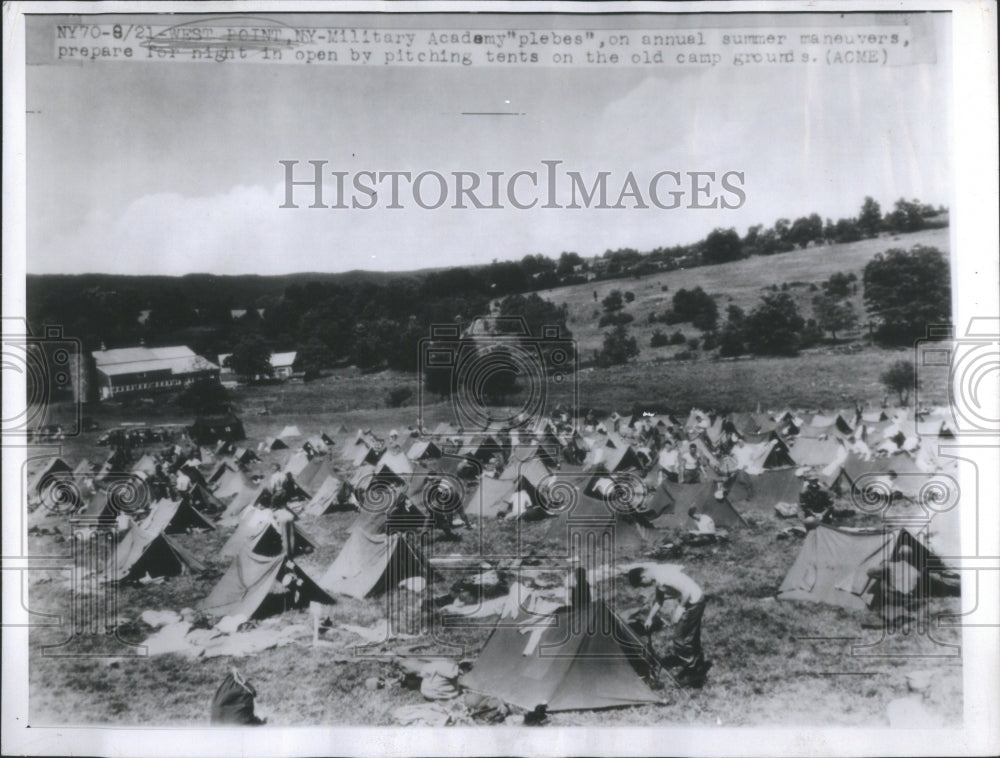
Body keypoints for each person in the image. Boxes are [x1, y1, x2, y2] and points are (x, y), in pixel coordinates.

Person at [628, 564, 710, 687]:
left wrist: (679, 609)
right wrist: (650, 618)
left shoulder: (662, 577)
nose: (645, 586)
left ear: (643, 577)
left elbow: (686, 592)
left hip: (694, 603)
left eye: (642, 585)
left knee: (680, 639)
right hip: (693, 601)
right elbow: (659, 600)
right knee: (691, 636)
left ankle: (693, 674)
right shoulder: (657, 575)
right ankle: (697, 665)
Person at [865, 544, 922, 629]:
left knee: (881, 582)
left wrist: (880, 571)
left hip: (892, 597)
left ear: (899, 555)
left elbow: (869, 572)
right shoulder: (917, 572)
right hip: (907, 599)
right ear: (910, 557)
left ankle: (875, 611)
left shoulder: (891, 565)